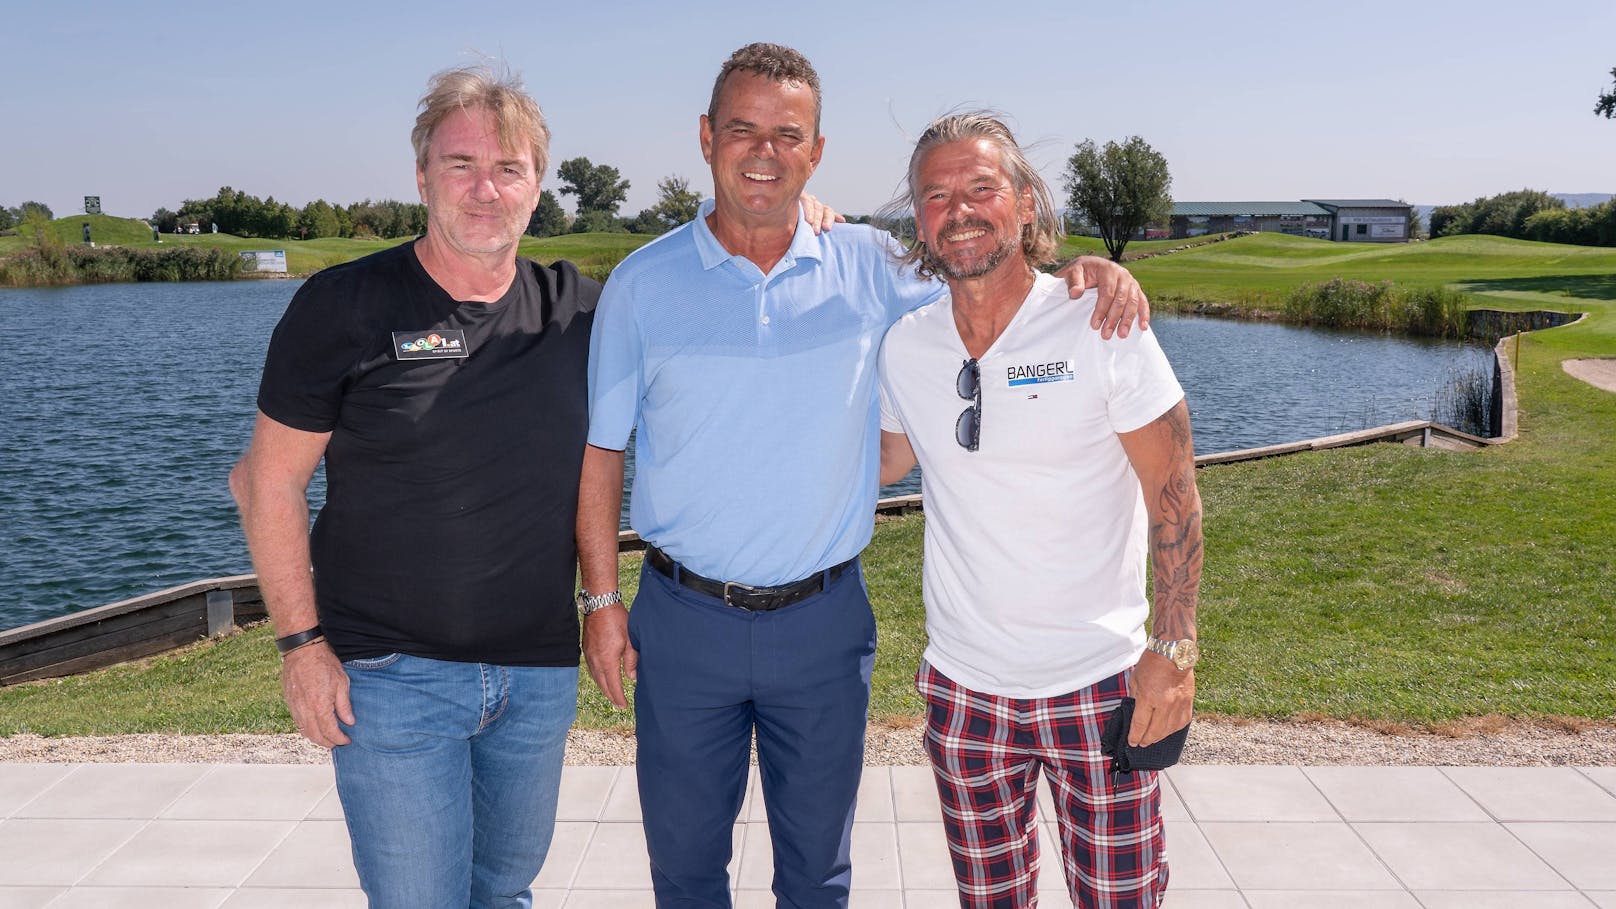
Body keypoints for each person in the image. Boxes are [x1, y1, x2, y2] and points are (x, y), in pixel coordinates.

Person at [578, 45, 1150, 908]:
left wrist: (1085, 276)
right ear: (705, 138)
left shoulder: (874, 266)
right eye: (743, 129)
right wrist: (599, 599)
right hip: (682, 619)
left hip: (823, 625)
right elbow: (601, 453)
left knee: (818, 874)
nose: (763, 151)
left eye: (787, 135)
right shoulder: (639, 284)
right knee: (686, 873)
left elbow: (991, 281)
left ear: (814, 152)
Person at [230, 64, 596, 908]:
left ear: (538, 187)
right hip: (391, 677)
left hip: (536, 675)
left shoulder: (578, 308)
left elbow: (696, 297)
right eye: (460, 163)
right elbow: (266, 483)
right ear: (422, 175)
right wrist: (300, 647)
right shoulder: (344, 305)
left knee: (504, 894)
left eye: (508, 168)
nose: (484, 189)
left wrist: (811, 226)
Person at [875, 112, 1202, 908]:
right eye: (935, 193)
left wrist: (1176, 643)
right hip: (965, 692)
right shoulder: (906, 347)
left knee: (1121, 898)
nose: (958, 209)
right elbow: (879, 464)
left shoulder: (1101, 323)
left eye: (981, 186)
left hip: (1101, 683)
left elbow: (1175, 487)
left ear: (1026, 203)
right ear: (918, 218)